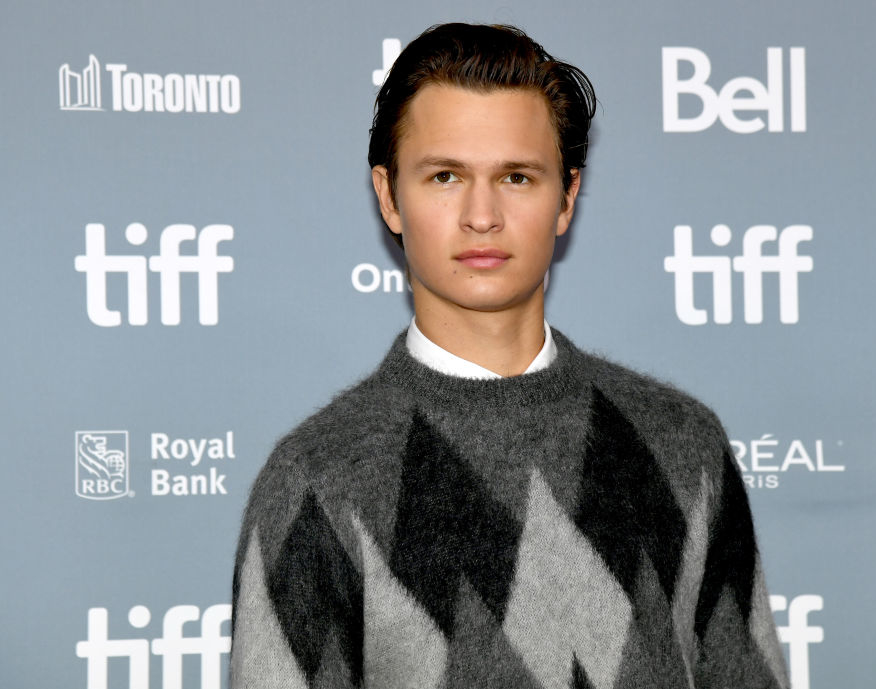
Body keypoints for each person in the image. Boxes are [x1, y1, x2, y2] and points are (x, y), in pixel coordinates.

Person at [230, 22, 789, 689]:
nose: (482, 215)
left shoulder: (683, 445)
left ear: (567, 196)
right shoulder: (316, 480)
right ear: (389, 195)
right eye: (445, 176)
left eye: (517, 177)